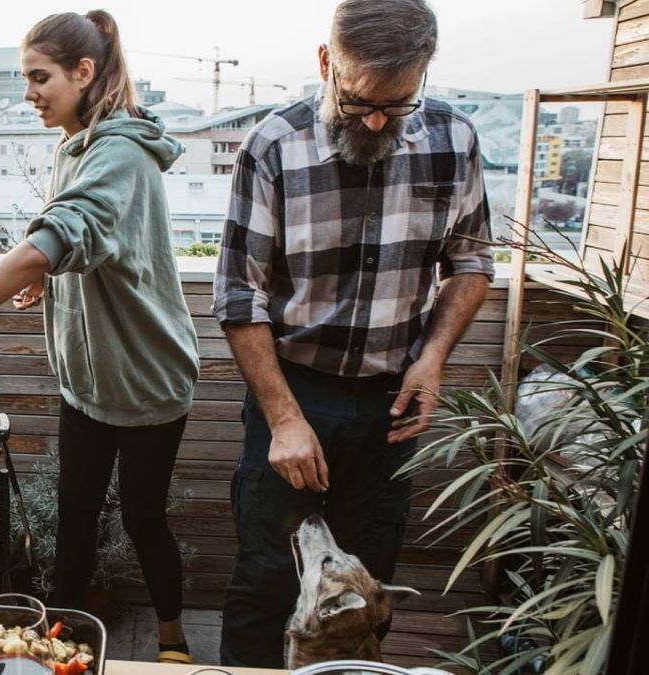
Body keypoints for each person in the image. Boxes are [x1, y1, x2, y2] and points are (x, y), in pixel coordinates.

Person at [0, 10, 201, 665]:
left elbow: (53, 237)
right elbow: (85, 242)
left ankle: (172, 639)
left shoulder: (120, 153)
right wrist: (52, 281)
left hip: (145, 377)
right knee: (75, 519)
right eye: (26, 78)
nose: (29, 93)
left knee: (142, 519)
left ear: (84, 72)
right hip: (86, 382)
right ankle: (59, 653)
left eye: (39, 77)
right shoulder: (73, 148)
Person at [212, 0, 494, 667]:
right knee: (266, 577)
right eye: (359, 99)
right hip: (294, 391)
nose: (373, 121)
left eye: (396, 106)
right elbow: (239, 294)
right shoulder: (273, 144)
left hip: (392, 401)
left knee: (365, 589)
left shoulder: (455, 140)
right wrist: (284, 418)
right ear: (325, 63)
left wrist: (432, 358)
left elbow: (472, 263)